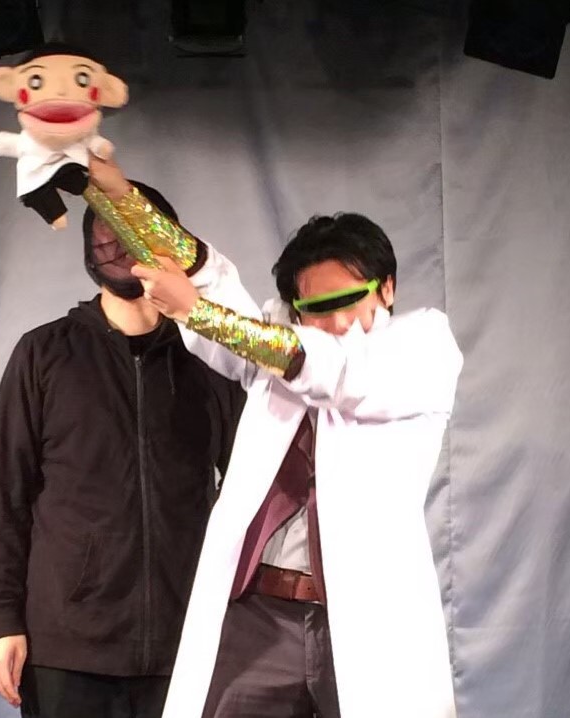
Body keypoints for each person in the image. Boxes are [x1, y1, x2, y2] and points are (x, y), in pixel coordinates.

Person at [86, 157, 463, 717]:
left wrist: (199, 312)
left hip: (366, 619)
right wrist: (116, 195)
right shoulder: (276, 348)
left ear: (386, 288)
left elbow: (333, 371)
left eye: (350, 299)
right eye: (317, 309)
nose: (337, 322)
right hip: (260, 613)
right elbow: (208, 278)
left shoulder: (422, 346)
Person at [0, 180, 245, 718]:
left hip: (185, 643)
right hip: (67, 647)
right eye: (108, 233)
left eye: (136, 231)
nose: (121, 247)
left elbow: (249, 489)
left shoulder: (212, 361)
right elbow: (5, 495)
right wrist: (2, 622)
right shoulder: (44, 354)